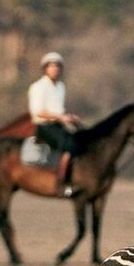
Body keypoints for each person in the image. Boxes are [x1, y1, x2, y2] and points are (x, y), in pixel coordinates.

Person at [28, 52, 80, 196]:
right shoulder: (38, 87)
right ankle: (61, 182)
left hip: (58, 124)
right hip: (44, 126)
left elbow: (58, 110)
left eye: (57, 66)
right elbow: (38, 112)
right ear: (45, 68)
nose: (54, 69)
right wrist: (60, 117)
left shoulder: (61, 87)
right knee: (69, 145)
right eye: (51, 66)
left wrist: (69, 117)